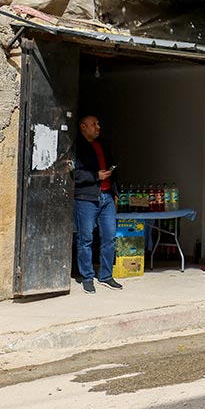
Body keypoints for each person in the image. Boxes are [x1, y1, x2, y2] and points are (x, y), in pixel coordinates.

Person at [72, 115, 123, 293]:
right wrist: (96, 176)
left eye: (98, 124)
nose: (98, 127)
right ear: (83, 127)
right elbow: (73, 174)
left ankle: (106, 275)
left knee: (109, 237)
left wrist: (115, 192)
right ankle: (87, 277)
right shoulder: (76, 147)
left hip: (107, 196)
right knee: (85, 239)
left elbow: (113, 167)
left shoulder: (103, 144)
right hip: (86, 198)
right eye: (94, 124)